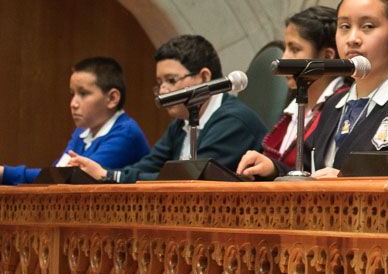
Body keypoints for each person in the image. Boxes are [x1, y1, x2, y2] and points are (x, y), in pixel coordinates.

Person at [237, 0, 388, 179]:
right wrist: (273, 168)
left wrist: (345, 178)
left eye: (368, 26)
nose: (352, 39)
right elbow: (309, 171)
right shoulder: (335, 104)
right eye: (345, 27)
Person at [68, 35, 267, 182]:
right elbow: (149, 166)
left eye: (171, 80)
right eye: (159, 82)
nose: (163, 90)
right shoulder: (180, 123)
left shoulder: (232, 121)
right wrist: (106, 174)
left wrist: (109, 175)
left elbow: (190, 178)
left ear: (204, 77)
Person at [1, 57, 150, 185]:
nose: (73, 103)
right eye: (73, 94)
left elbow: (72, 177)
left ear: (112, 98)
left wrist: (5, 173)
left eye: (83, 93)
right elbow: (57, 173)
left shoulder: (126, 133)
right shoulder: (82, 132)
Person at [261, 6, 346, 170]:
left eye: (295, 49)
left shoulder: (342, 106)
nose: (284, 58)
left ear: (327, 56)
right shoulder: (295, 106)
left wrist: (273, 169)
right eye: (285, 49)